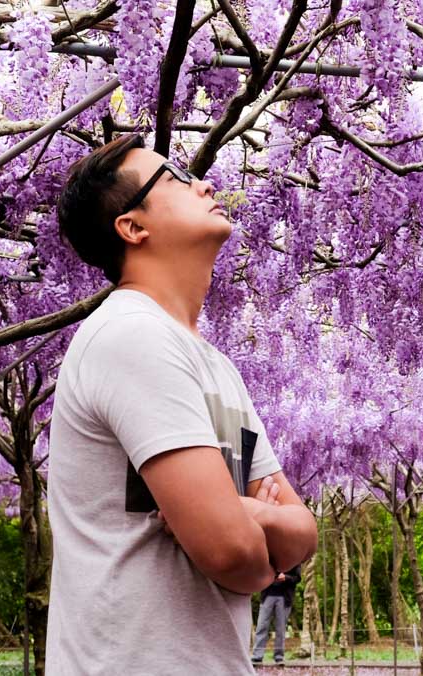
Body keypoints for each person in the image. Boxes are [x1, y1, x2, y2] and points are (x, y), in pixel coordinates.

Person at [47, 135, 318, 673]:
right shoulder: (130, 336)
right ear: (133, 227)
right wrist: (260, 538)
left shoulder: (214, 365)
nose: (206, 184)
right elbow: (231, 554)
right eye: (175, 179)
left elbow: (304, 532)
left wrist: (251, 514)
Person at [252, 565, 301, 665]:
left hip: (284, 598)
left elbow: (297, 578)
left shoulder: (294, 558)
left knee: (280, 629)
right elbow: (260, 573)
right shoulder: (269, 556)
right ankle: (257, 656)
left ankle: (279, 657)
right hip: (267, 596)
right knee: (261, 626)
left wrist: (286, 577)